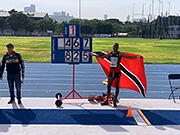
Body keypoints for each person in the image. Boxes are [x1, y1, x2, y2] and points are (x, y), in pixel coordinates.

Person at [91, 43, 140, 107]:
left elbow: (128, 57)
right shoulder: (110, 53)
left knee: (117, 86)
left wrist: (136, 57)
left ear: (118, 47)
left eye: (116, 47)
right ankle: (107, 100)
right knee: (109, 86)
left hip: (117, 72)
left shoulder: (120, 54)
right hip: (111, 71)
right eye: (114, 46)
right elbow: (103, 57)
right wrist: (95, 55)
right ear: (112, 47)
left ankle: (114, 100)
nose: (115, 48)